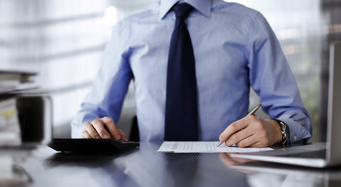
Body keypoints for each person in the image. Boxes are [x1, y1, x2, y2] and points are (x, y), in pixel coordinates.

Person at [71, 0, 312, 147]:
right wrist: (91, 129)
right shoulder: (128, 30)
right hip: (147, 186)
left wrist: (276, 130)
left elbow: (295, 118)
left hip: (230, 182)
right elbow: (93, 113)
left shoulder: (250, 25)